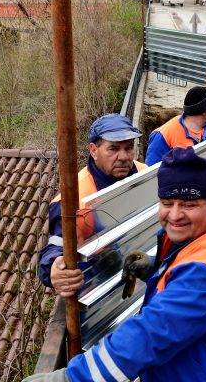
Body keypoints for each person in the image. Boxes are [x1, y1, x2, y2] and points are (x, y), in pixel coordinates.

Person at [26, 147, 206, 382]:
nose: (174, 215)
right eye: (166, 203)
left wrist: (70, 379)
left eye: (188, 205)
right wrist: (157, 267)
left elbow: (148, 336)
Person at [37, 114, 146, 298]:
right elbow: (57, 244)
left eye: (128, 148)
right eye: (113, 149)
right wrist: (53, 267)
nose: (123, 157)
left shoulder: (145, 173)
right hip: (98, 288)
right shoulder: (73, 200)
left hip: (142, 276)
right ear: (94, 150)